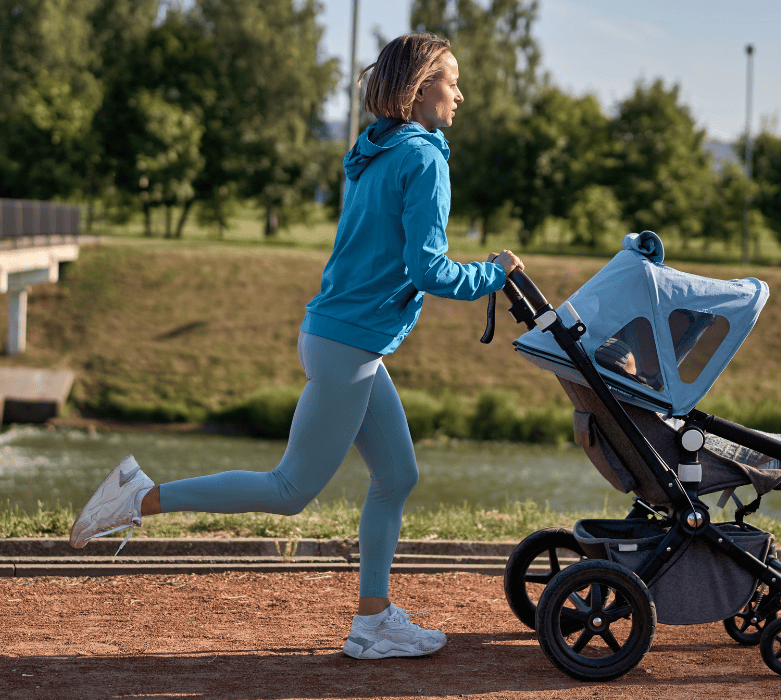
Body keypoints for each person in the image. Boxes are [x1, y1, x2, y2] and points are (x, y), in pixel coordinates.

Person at [69, 33, 523, 661]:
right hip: (348, 345)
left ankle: (373, 620)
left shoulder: (380, 150)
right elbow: (427, 268)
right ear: (421, 88)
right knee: (290, 490)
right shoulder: (424, 159)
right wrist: (495, 275)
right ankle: (139, 497)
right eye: (451, 80)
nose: (460, 94)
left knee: (397, 475)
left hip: (341, 339)